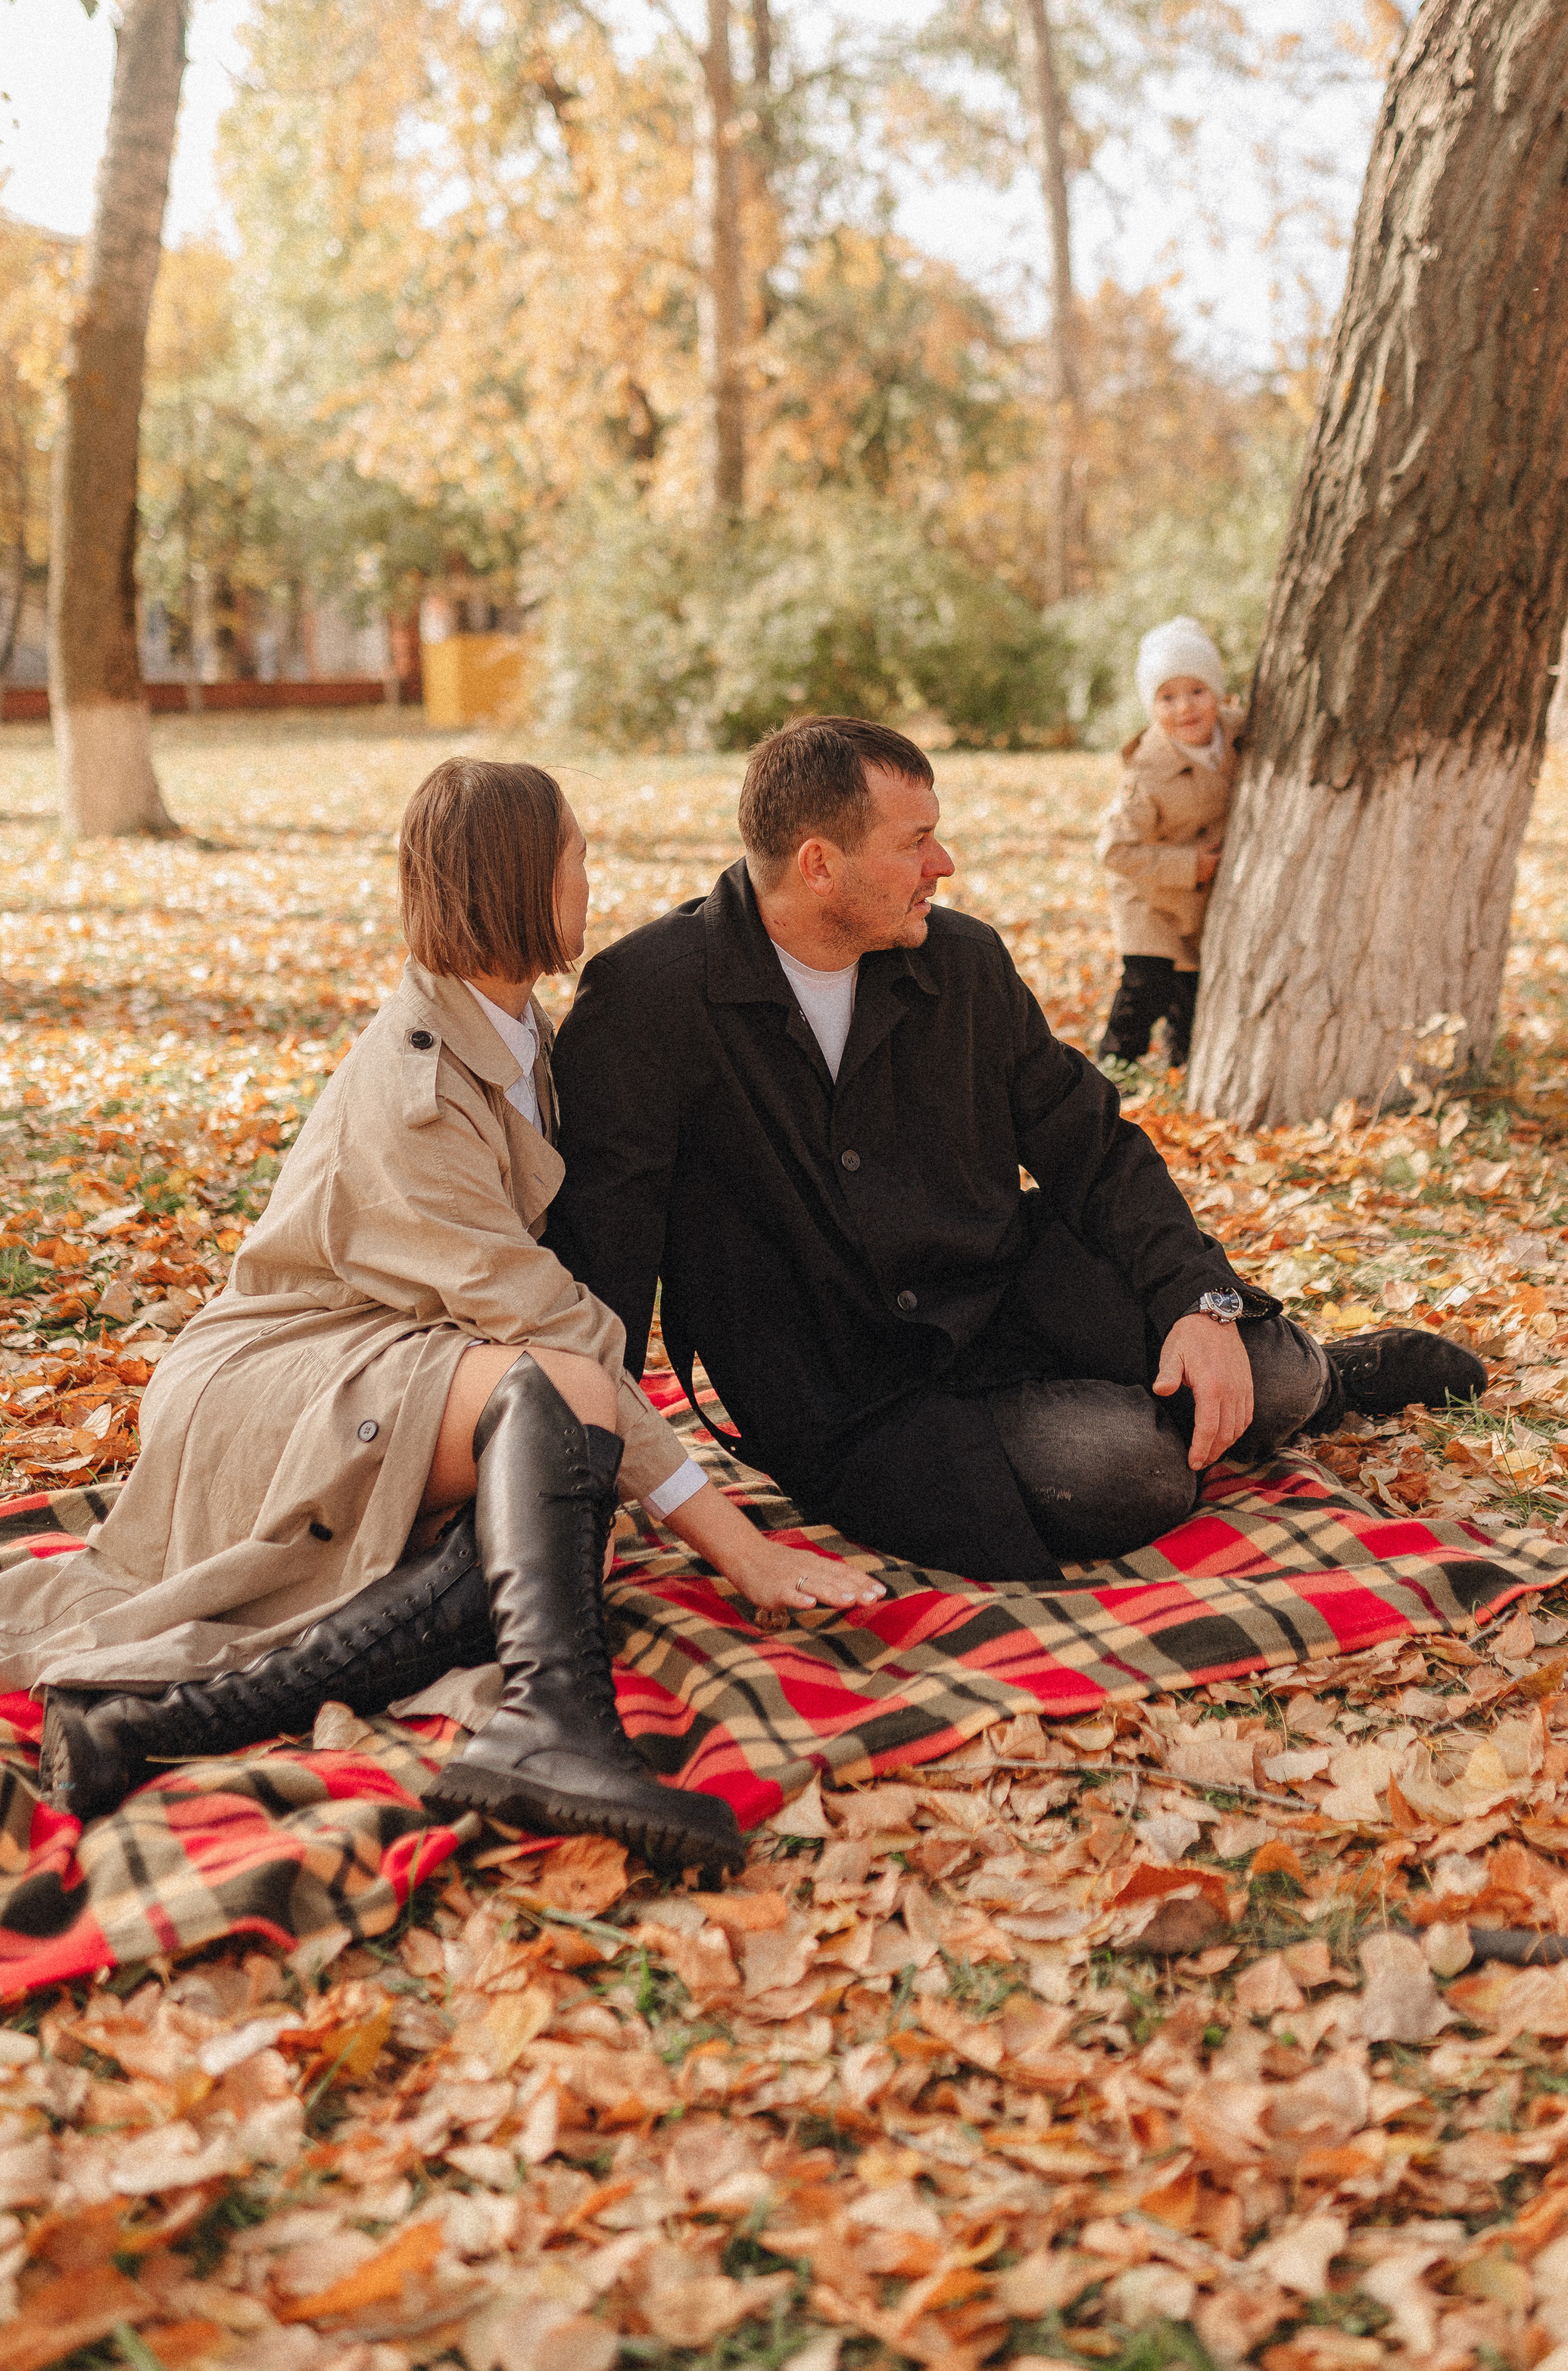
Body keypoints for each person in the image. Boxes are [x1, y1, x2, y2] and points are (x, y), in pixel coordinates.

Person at [19, 758, 879, 1867]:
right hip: (269, 1383)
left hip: (396, 1353)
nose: (590, 880)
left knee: (530, 1540)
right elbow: (552, 1329)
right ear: (520, 881)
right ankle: (558, 1728)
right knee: (562, 1397)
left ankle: (150, 1726)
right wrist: (739, 1548)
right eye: (575, 859)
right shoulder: (415, 1092)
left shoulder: (518, 1033)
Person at [547, 716, 1485, 1583]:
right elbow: (607, 1262)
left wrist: (1197, 1304)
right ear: (820, 865)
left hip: (1008, 1296)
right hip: (847, 1391)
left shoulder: (961, 962)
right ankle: (1148, 1412)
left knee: (1270, 1374)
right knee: (1132, 1471)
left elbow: (1093, 1149)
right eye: (915, 842)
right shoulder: (647, 1000)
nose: (943, 864)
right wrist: (588, 1487)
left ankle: (1323, 1378)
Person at [1096, 615, 1243, 1070]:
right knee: (1145, 987)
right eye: (1167, 697)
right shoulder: (1146, 773)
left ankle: (1181, 1071)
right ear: (1151, 705)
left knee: (1191, 997)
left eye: (1197, 691)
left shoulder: (1237, 732)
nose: (1185, 708)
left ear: (1217, 692)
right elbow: (1115, 850)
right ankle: (1115, 1069)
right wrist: (1190, 864)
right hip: (1150, 897)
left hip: (1198, 901)